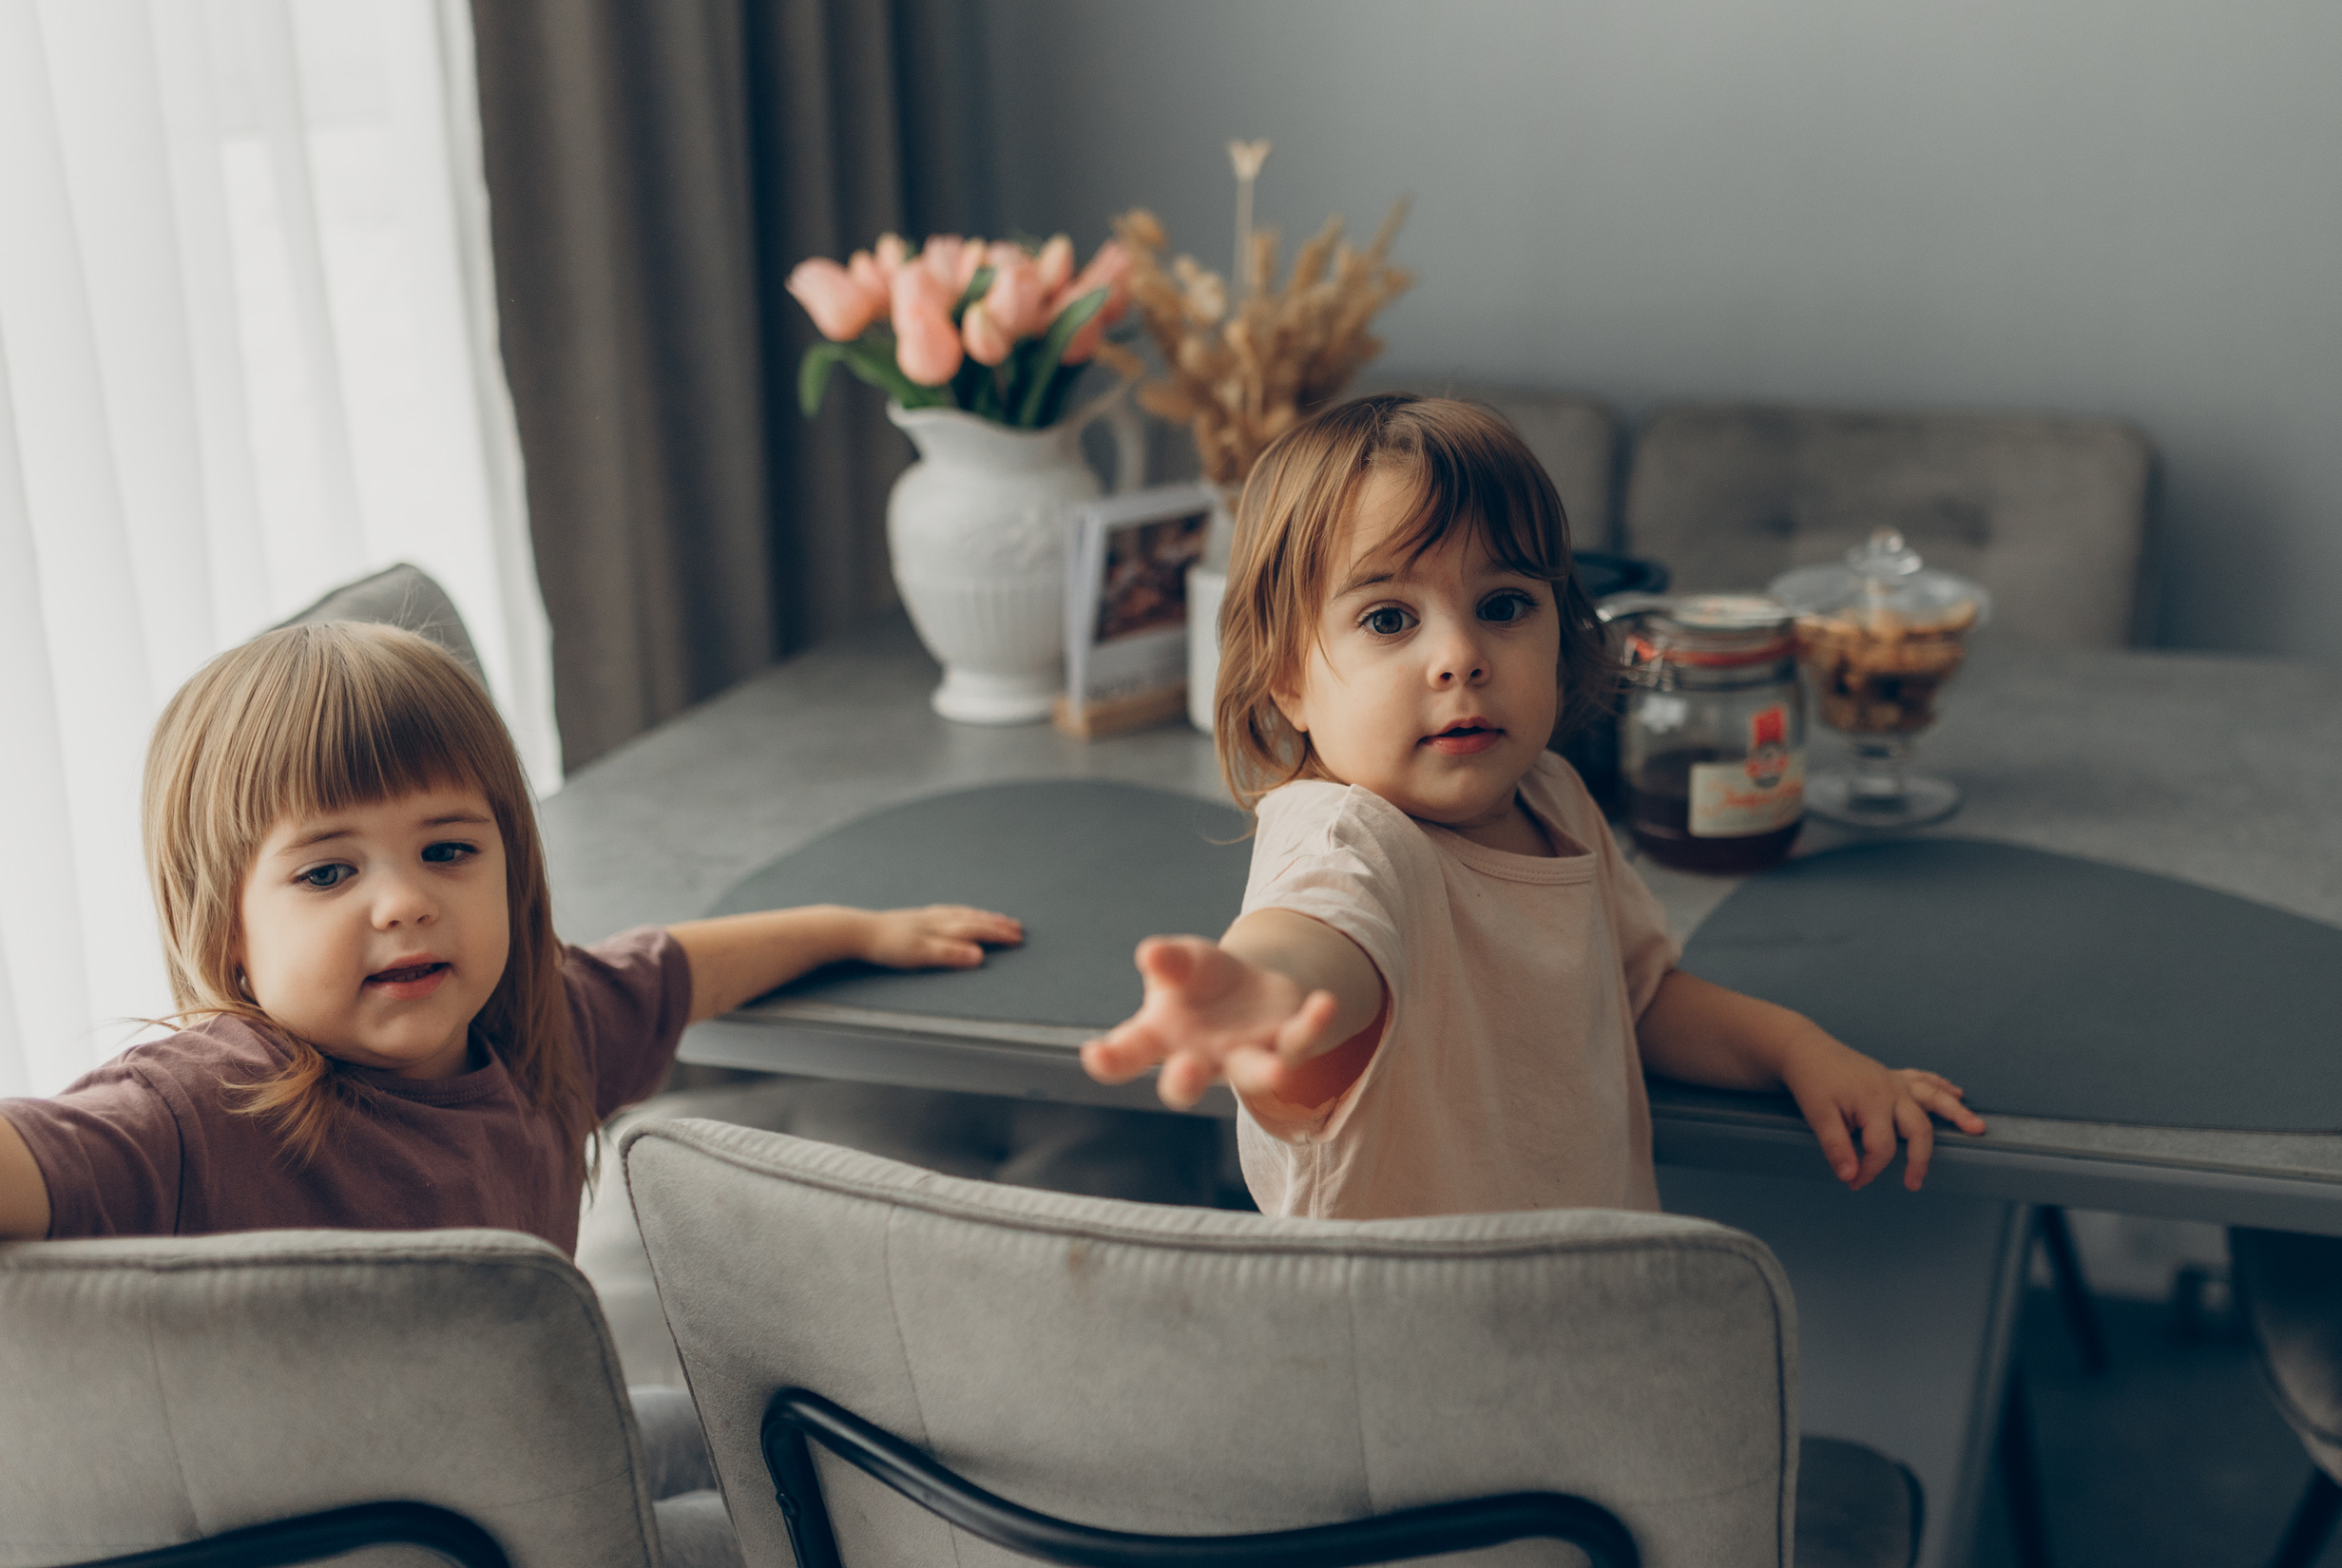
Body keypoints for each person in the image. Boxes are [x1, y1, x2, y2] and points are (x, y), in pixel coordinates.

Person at [1081, 395, 1985, 1220]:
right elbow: (1318, 940)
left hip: (1579, 1327)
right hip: (1408, 1372)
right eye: (1389, 619)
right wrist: (1261, 995)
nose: (1461, 656)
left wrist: (1797, 1048)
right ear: (1287, 681)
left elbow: (1632, 997)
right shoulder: (1349, 839)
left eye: (1504, 604)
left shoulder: (1549, 791)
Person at [0, 621, 1022, 1247]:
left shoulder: (536, 1026)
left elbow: (676, 970)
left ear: (514, 867)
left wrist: (847, 927)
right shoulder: (198, 1108)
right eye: (327, 871)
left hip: (538, 1451)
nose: (402, 901)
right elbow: (37, 1161)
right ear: (226, 932)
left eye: (447, 850)